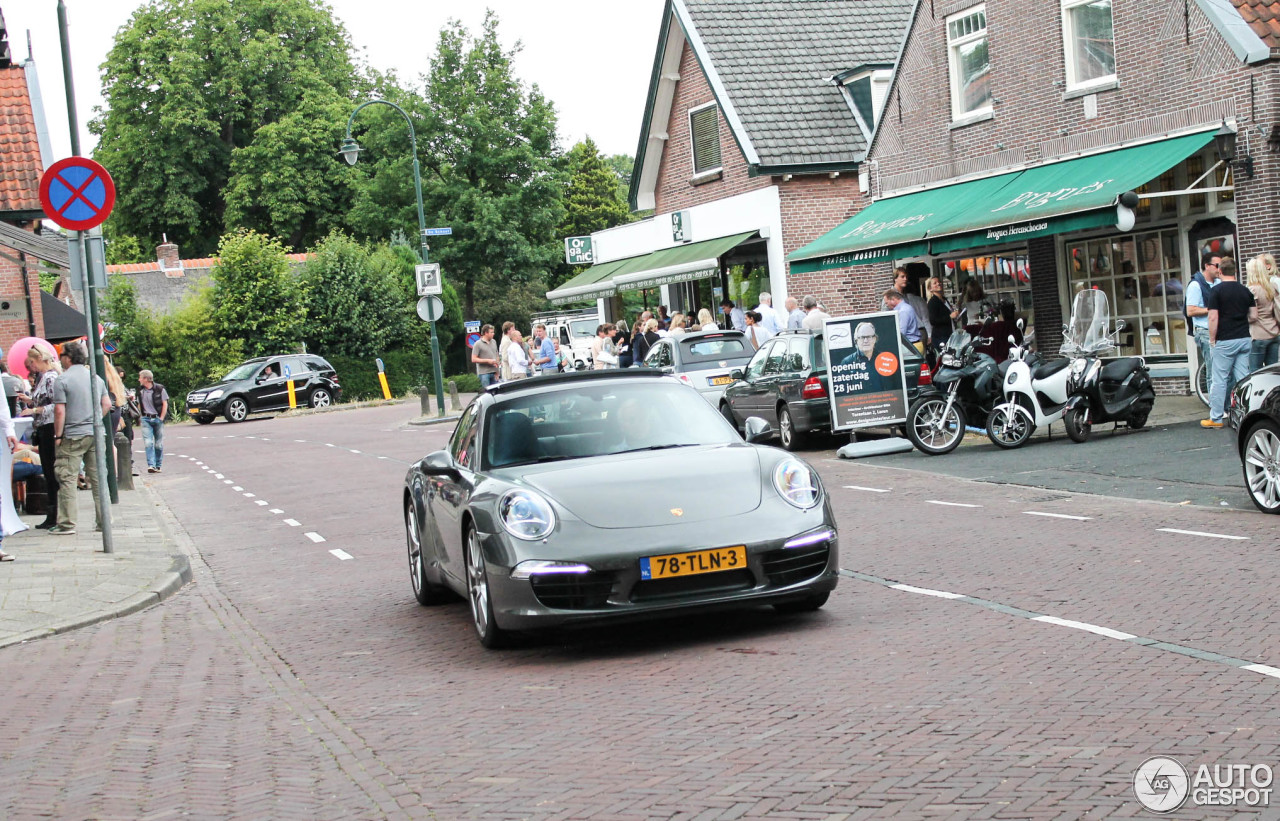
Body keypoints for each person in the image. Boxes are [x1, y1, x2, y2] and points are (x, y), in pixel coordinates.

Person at [50, 342, 110, 535]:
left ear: (68, 357)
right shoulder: (96, 378)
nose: (60, 359)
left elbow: (60, 410)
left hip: (73, 435)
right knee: (99, 477)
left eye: (61, 356)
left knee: (67, 477)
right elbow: (107, 403)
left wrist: (58, 436)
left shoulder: (62, 380)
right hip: (95, 433)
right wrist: (94, 419)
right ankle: (104, 522)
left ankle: (67, 523)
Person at [1203, 257, 1254, 429]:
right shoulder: (1245, 291)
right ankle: (1248, 414)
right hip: (1244, 338)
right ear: (1236, 271)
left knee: (1219, 380)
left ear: (1220, 271)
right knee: (1244, 379)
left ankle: (1216, 418)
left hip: (1225, 340)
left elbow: (1213, 317)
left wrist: (1212, 339)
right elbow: (1253, 316)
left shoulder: (1216, 291)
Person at [18, 344, 62, 529]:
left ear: (40, 360)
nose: (32, 366)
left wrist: (33, 409)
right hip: (44, 426)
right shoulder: (44, 377)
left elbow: (56, 404)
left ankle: (54, 514)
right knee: (48, 469)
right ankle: (52, 513)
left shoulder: (51, 378)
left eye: (33, 362)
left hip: (48, 426)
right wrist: (30, 400)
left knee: (51, 471)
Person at [1187, 253, 1221, 400]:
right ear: (1207, 266)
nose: (1219, 269)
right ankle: (1214, 406)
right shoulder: (1195, 285)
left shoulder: (1219, 283)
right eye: (1217, 265)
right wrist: (1211, 309)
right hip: (1205, 331)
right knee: (1212, 370)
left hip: (1221, 330)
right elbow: (1191, 310)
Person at [880, 267, 930, 350]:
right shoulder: (889, 295)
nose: (905, 279)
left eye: (906, 277)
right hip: (903, 336)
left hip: (913, 334)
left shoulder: (905, 294)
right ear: (895, 279)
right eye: (902, 277)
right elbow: (885, 317)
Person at [1246, 257, 1280, 371]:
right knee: (1273, 372)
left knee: (1255, 372)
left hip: (1258, 335)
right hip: (1274, 332)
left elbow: (1252, 316)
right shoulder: (1272, 287)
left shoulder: (1252, 290)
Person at [838, 321, 889, 392]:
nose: (865, 341)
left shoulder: (885, 359)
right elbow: (844, 391)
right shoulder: (847, 362)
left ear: (874, 339)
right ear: (856, 340)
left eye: (869, 337)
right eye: (862, 337)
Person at [137, 369, 169, 474]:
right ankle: (151, 465)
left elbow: (165, 403)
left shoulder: (160, 389)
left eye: (140, 377)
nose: (139, 380)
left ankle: (158, 465)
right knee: (148, 443)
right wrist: (140, 416)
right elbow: (139, 404)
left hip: (157, 418)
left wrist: (161, 418)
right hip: (146, 418)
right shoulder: (140, 391)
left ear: (146, 379)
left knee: (158, 444)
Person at [926, 276, 959, 351]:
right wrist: (949, 317)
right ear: (930, 289)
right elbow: (933, 320)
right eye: (935, 283)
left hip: (950, 333)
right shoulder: (932, 302)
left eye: (939, 282)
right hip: (941, 337)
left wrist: (955, 318)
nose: (938, 284)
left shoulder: (944, 299)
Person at [471, 324, 500, 389]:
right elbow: (473, 359)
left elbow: (496, 355)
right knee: (487, 393)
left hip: (494, 372)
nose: (493, 334)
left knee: (496, 392)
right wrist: (487, 361)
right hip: (484, 373)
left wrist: (497, 371)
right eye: (491, 332)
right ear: (486, 333)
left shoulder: (494, 342)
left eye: (493, 332)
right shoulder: (478, 344)